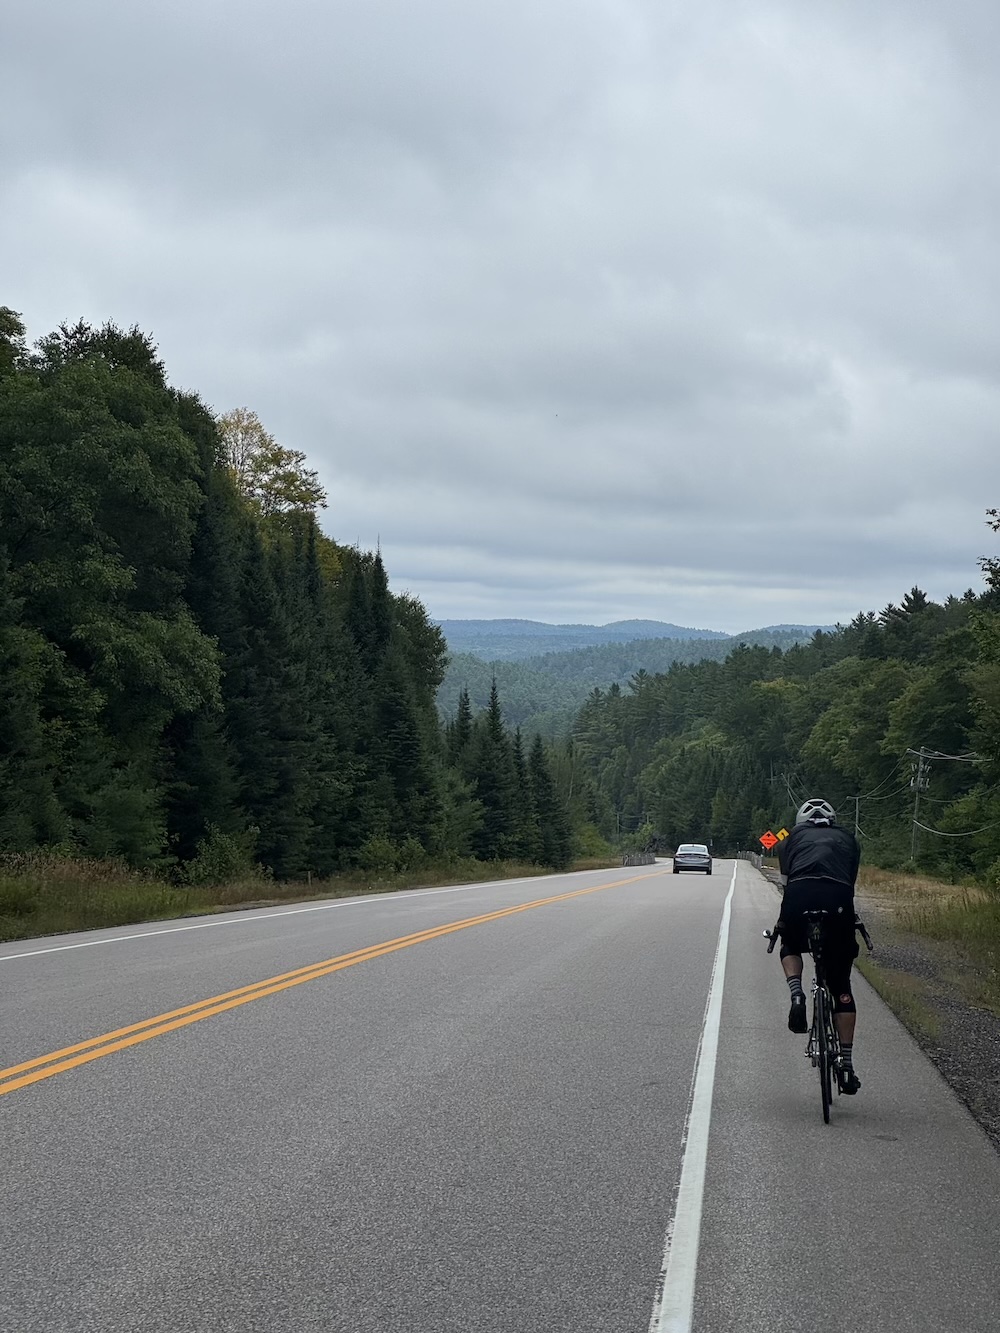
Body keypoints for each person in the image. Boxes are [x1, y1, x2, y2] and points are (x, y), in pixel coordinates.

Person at [776, 797, 862, 1095]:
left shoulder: (789, 838)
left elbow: (785, 880)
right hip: (838, 900)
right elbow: (850, 882)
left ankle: (797, 994)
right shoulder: (847, 838)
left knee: (789, 942)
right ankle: (847, 1065)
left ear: (801, 821)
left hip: (799, 895)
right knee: (840, 983)